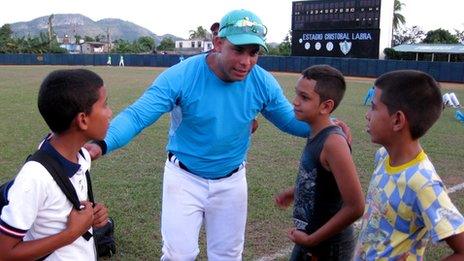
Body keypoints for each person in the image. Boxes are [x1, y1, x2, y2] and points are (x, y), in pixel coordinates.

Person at [85, 9, 349, 260]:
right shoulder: (182, 75)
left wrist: (329, 128)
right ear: (218, 42)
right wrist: (101, 143)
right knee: (179, 255)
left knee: (228, 256)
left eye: (254, 52)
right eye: (238, 50)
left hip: (232, 182)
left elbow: (292, 121)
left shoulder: (261, 81)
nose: (246, 61)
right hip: (184, 177)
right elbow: (138, 114)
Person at [0, 69, 112, 260]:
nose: (110, 113)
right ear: (82, 120)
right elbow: (5, 252)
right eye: (105, 105)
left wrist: (91, 216)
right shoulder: (35, 177)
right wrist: (71, 233)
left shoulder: (80, 155)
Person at [355, 70, 464, 260]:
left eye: (373, 107)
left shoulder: (423, 183)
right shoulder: (382, 156)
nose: (367, 114)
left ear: (397, 120)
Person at [275, 65, 364, 261]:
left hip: (328, 247)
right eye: (297, 94)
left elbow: (356, 206)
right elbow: (318, 182)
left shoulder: (333, 143)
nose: (295, 102)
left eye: (304, 98)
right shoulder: (315, 132)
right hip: (308, 239)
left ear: (326, 106)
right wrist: (294, 191)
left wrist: (312, 240)